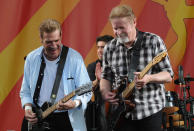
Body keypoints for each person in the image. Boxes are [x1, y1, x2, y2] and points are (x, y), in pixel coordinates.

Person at [100, 5, 174, 131]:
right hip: (121, 114)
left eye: (122, 28)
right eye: (115, 28)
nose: (118, 32)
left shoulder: (154, 41)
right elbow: (106, 77)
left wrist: (149, 78)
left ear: (134, 22)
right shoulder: (109, 48)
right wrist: (105, 91)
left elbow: (168, 75)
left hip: (150, 110)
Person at [20, 19, 92, 131]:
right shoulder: (31, 58)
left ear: (61, 36)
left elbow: (87, 89)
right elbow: (25, 90)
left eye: (56, 40)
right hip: (37, 118)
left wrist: (75, 103)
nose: (53, 45)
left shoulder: (75, 58)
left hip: (66, 118)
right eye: (48, 42)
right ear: (41, 39)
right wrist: (28, 107)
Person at [85, 35, 113, 131]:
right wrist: (97, 80)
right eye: (98, 47)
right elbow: (87, 88)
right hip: (101, 105)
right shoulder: (92, 66)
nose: (99, 51)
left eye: (103, 47)